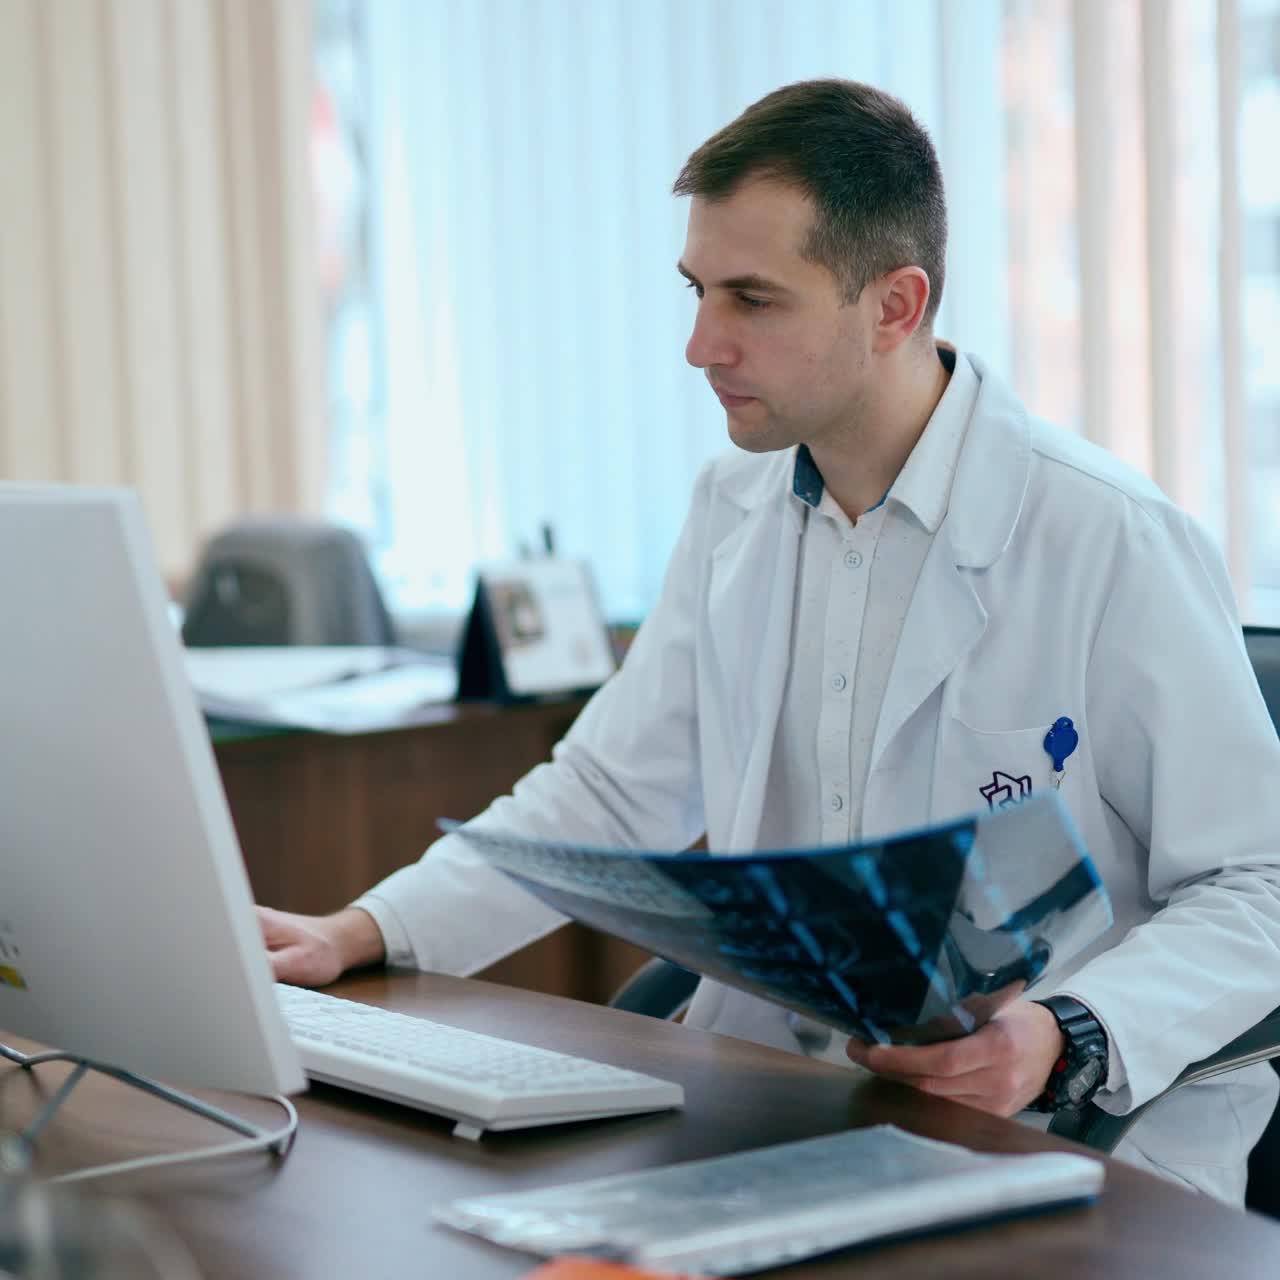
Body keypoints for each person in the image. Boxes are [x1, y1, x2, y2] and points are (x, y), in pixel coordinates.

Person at [259, 79, 1280, 1203]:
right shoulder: (729, 507)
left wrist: (1061, 1030)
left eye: (751, 298)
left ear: (893, 304)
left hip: (1073, 1139)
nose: (700, 343)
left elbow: (1258, 881)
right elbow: (608, 792)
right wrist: (368, 924)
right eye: (695, 289)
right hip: (783, 1108)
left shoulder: (1108, 538)